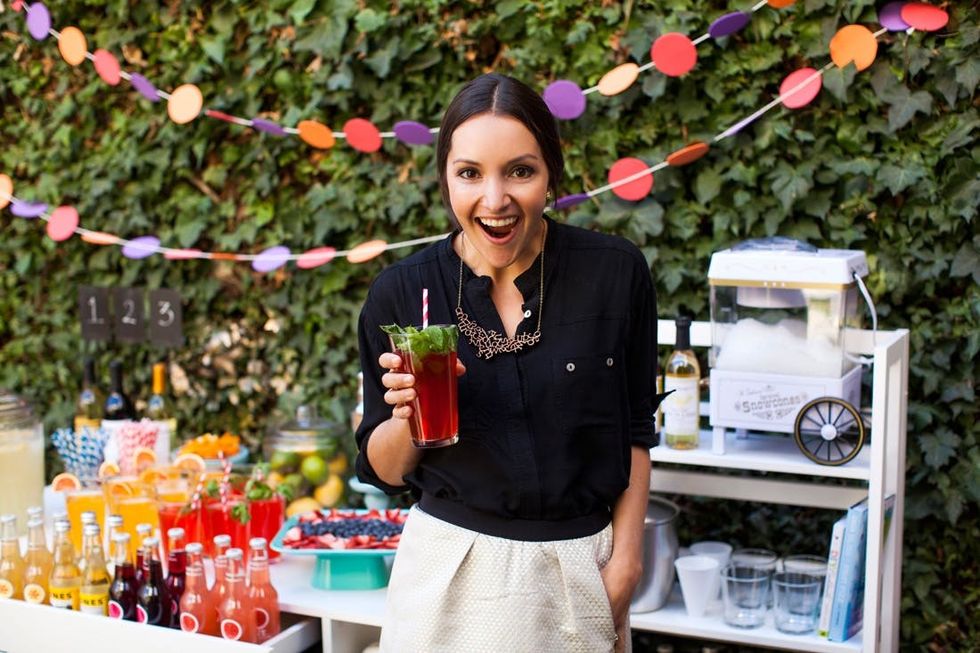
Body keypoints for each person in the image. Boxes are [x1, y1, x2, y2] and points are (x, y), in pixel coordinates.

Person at [354, 73, 661, 653]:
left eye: (520, 171)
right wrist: (407, 415)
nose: (495, 201)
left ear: (551, 172)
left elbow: (636, 426)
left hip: (578, 570)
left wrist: (627, 562)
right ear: (445, 177)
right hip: (447, 574)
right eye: (469, 173)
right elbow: (384, 471)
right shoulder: (402, 292)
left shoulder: (614, 273)